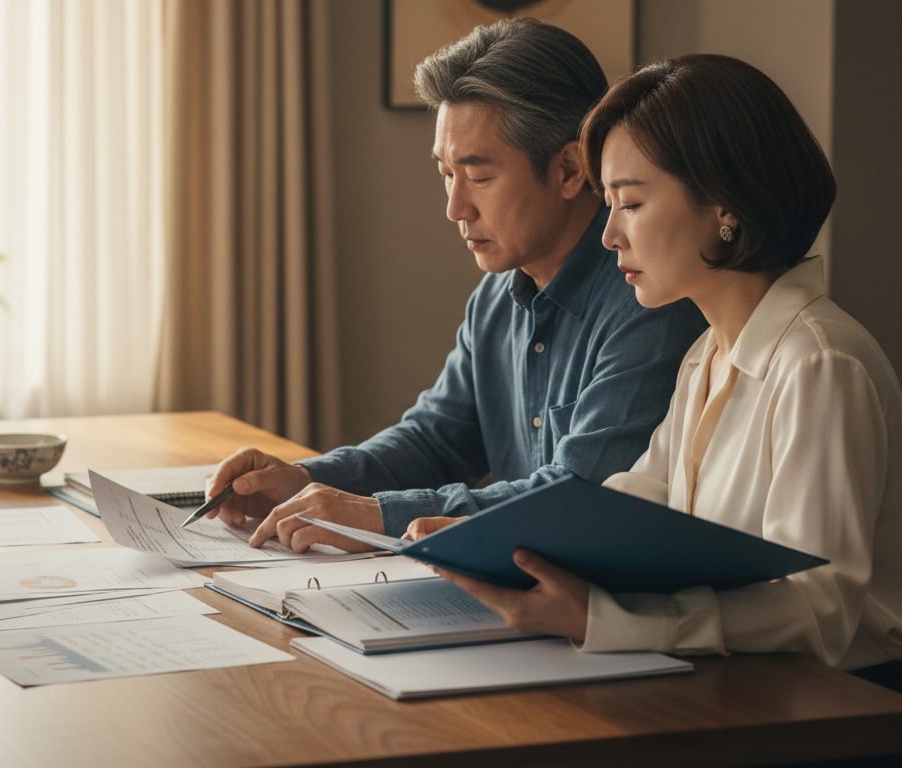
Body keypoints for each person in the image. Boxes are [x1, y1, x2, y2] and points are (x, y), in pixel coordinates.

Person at [419, 53, 902, 765]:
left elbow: (819, 609)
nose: (610, 236)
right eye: (608, 204)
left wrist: (605, 617)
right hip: (746, 692)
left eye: (631, 204)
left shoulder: (820, 364)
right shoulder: (710, 354)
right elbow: (640, 500)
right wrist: (504, 547)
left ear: (725, 205)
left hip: (850, 722)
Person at [203, 18, 707, 552]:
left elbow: (577, 495)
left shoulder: (649, 299)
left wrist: (377, 515)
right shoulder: (496, 298)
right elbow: (434, 440)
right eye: (447, 173)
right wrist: (306, 480)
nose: (455, 208)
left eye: (479, 176)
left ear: (568, 169)